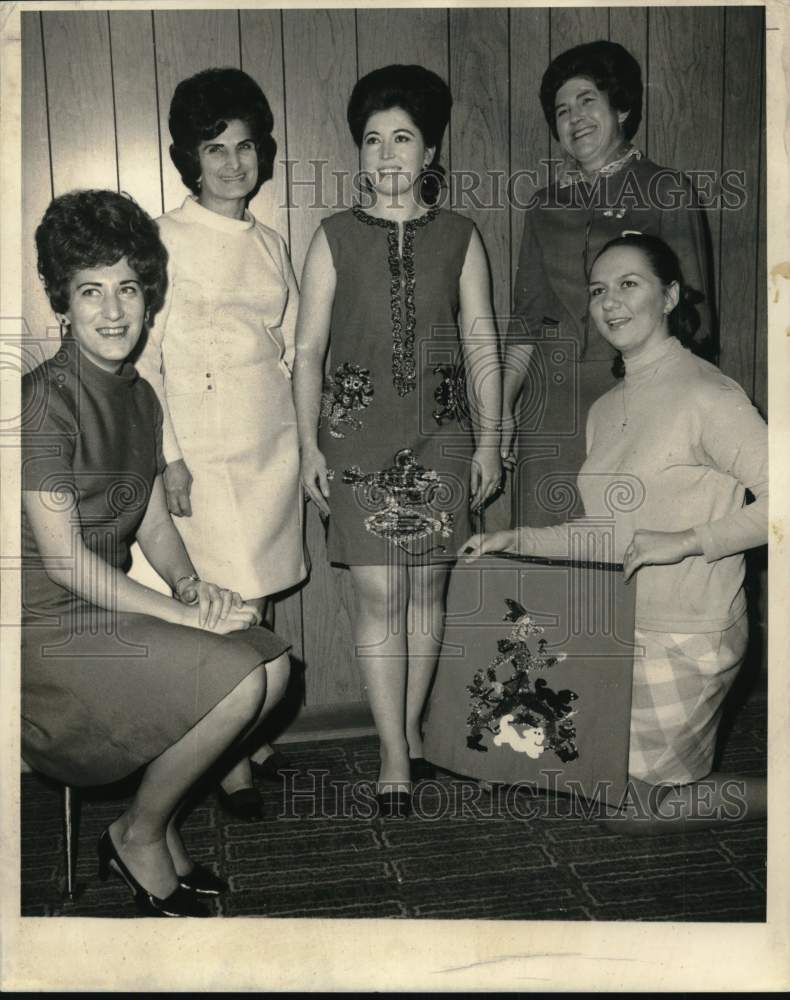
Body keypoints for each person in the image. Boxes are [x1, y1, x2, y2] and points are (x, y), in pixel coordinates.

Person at [22, 190, 291, 915]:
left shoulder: (139, 396)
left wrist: (190, 586)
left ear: (148, 297)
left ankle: (156, 821)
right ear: (63, 302)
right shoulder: (43, 401)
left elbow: (145, 517)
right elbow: (63, 563)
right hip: (42, 630)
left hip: (101, 610)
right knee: (237, 679)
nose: (113, 311)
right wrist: (180, 615)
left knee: (271, 661)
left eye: (128, 289)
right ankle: (139, 833)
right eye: (90, 291)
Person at [462, 233, 767, 833]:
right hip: (626, 622)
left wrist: (684, 541)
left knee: (632, 814)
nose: (609, 302)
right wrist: (514, 539)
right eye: (599, 290)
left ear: (671, 295)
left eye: (629, 284)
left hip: (689, 630)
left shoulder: (710, 395)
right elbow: (605, 532)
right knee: (584, 772)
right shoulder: (607, 407)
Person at [294, 64, 502, 816]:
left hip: (445, 432)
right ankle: (392, 754)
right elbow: (308, 349)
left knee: (428, 587)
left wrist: (489, 441)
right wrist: (308, 447)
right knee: (381, 590)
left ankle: (408, 733)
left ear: (431, 149)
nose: (387, 155)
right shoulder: (332, 238)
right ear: (359, 152)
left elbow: (482, 341)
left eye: (403, 138)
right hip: (353, 435)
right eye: (374, 140)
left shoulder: (462, 236)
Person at [135, 68, 306, 819]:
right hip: (202, 456)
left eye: (246, 146)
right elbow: (143, 361)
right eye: (216, 148)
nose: (234, 163)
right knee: (222, 609)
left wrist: (308, 448)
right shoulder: (163, 241)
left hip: (271, 447)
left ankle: (239, 737)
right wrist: (167, 455)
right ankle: (228, 761)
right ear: (190, 158)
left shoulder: (272, 245)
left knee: (257, 602)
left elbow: (295, 352)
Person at [503, 40, 716, 528]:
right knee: (546, 557)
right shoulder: (543, 205)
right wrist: (502, 415)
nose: (574, 117)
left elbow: (694, 319)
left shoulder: (666, 190)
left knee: (624, 549)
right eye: (561, 111)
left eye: (587, 101)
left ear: (621, 107)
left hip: (637, 397)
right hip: (549, 405)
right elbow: (524, 319)